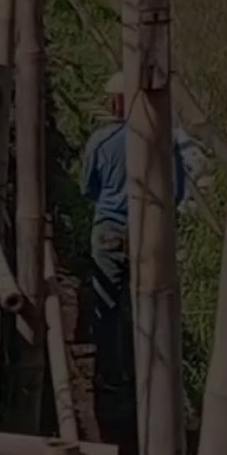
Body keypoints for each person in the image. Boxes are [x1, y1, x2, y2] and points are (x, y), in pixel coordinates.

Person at [81, 72, 188, 408]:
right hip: (149, 233)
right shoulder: (162, 142)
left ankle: (110, 377)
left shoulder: (101, 142)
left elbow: (88, 188)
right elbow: (177, 192)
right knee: (149, 304)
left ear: (117, 104)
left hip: (109, 231)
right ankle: (152, 376)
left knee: (107, 306)